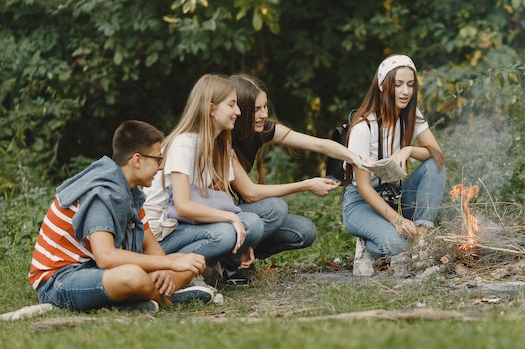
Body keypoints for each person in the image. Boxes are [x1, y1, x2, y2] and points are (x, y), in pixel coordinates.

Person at [28, 120, 211, 312]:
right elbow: (106, 257)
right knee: (133, 275)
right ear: (137, 160)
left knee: (190, 263)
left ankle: (139, 299)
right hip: (59, 281)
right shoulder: (102, 193)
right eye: (158, 159)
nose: (160, 167)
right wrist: (168, 262)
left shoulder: (130, 192)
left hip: (94, 272)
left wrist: (163, 270)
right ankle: (167, 300)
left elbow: (149, 245)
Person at [224, 74, 366, 283]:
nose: (264, 114)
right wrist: (307, 185)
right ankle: (226, 262)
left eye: (265, 107)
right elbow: (250, 193)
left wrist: (356, 157)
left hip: (234, 216)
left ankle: (238, 261)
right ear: (240, 111)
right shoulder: (224, 140)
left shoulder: (262, 130)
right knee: (275, 208)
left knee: (304, 231)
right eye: (256, 110)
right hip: (219, 217)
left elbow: (318, 144)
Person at [143, 74, 266, 287]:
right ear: (211, 109)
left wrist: (238, 226)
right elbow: (182, 207)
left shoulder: (220, 144)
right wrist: (231, 219)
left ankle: (210, 267)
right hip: (160, 235)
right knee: (225, 233)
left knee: (253, 223)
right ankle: (174, 271)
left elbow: (223, 197)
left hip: (187, 225)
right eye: (232, 105)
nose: (238, 111)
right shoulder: (184, 144)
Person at [341, 54, 447, 277]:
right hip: (361, 203)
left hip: (395, 196)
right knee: (398, 246)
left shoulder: (411, 115)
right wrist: (397, 220)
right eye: (398, 85)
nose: (405, 91)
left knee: (435, 165)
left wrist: (408, 149)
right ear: (382, 86)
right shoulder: (363, 127)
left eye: (410, 85)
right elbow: (363, 187)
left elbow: (437, 153)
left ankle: (422, 237)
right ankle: (367, 242)